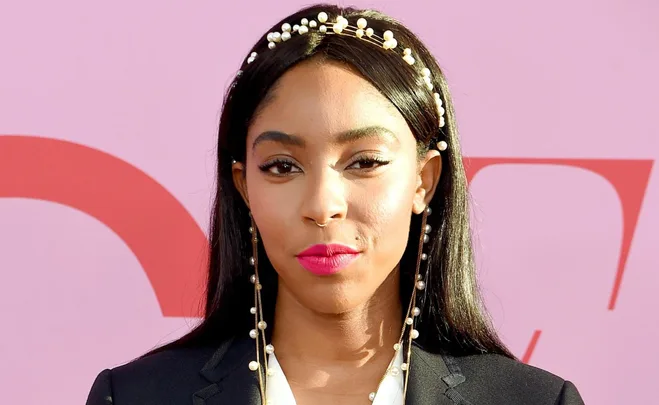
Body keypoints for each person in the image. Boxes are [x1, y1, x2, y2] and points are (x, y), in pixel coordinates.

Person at [86, 4, 585, 405]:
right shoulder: (135, 396)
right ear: (244, 188)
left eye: (364, 162)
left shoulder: (537, 400)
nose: (323, 205)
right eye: (282, 166)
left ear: (424, 181)